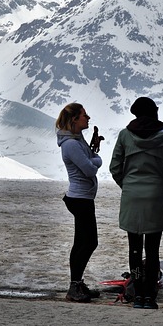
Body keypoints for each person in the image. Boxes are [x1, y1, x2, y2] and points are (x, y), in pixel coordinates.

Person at [109, 97, 163, 310]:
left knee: (134, 248)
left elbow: (115, 167)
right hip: (156, 195)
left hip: (131, 195)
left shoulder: (124, 135)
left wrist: (128, 185)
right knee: (153, 248)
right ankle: (150, 296)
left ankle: (138, 294)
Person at [56, 103, 103, 303]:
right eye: (84, 115)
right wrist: (94, 160)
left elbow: (93, 159)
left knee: (83, 242)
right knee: (88, 242)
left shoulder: (77, 139)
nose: (88, 117)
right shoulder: (71, 144)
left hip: (83, 197)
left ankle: (77, 283)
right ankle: (74, 286)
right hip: (80, 198)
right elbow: (91, 167)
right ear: (74, 119)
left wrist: (94, 159)